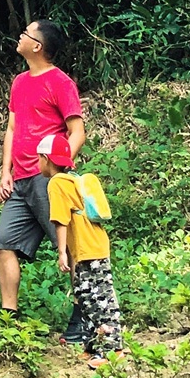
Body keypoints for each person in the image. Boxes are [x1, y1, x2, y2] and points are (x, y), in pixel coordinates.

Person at [0, 19, 85, 333]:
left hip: (48, 180)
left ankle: (83, 315)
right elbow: (12, 129)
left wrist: (59, 170)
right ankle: (9, 317)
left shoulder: (60, 82)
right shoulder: (19, 82)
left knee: (73, 247)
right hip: (19, 181)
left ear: (38, 46)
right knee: (3, 244)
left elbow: (77, 133)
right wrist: (5, 172)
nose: (20, 35)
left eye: (27, 33)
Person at [40, 130, 123, 359]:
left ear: (46, 159)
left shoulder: (57, 183)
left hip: (88, 249)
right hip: (93, 244)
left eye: (39, 158)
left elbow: (60, 218)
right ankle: (92, 345)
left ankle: (112, 348)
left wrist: (61, 253)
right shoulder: (73, 179)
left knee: (100, 299)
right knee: (86, 295)